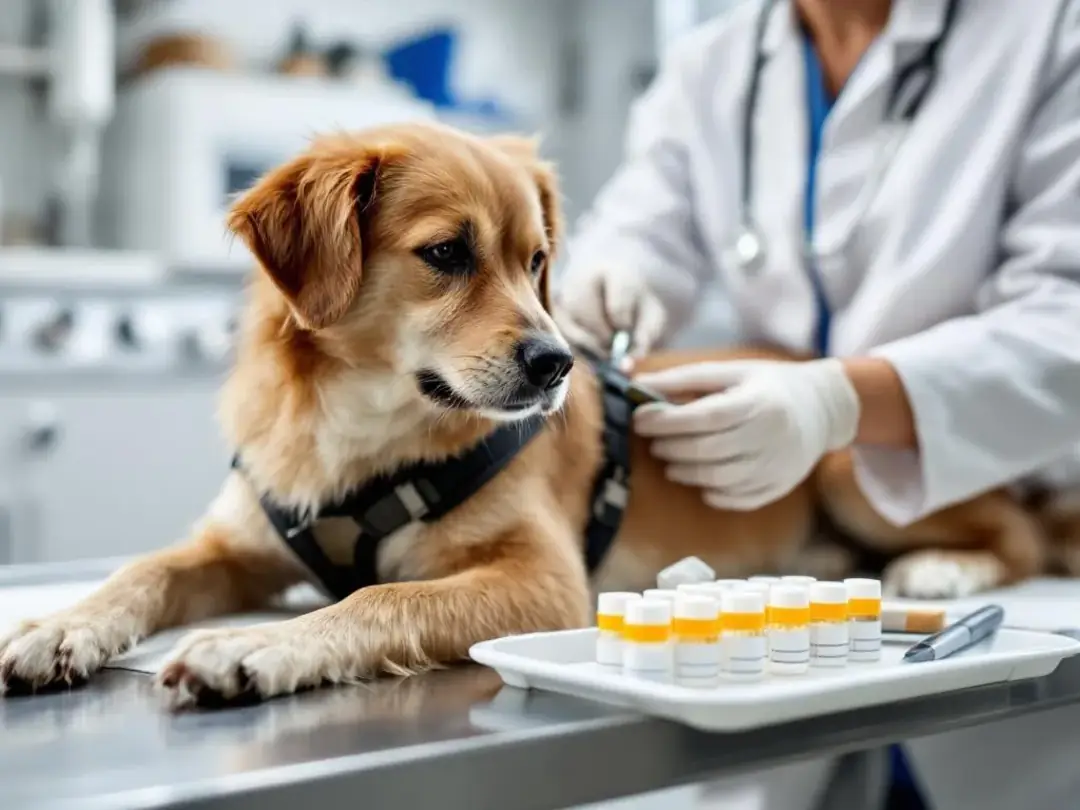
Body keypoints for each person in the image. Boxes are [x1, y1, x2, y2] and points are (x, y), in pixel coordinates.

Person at [555, 0, 1080, 809]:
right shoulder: (720, 62)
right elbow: (639, 225)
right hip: (810, 570)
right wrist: (604, 276)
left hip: (1010, 535)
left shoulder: (1049, 34)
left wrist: (839, 402)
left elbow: (1066, 322)